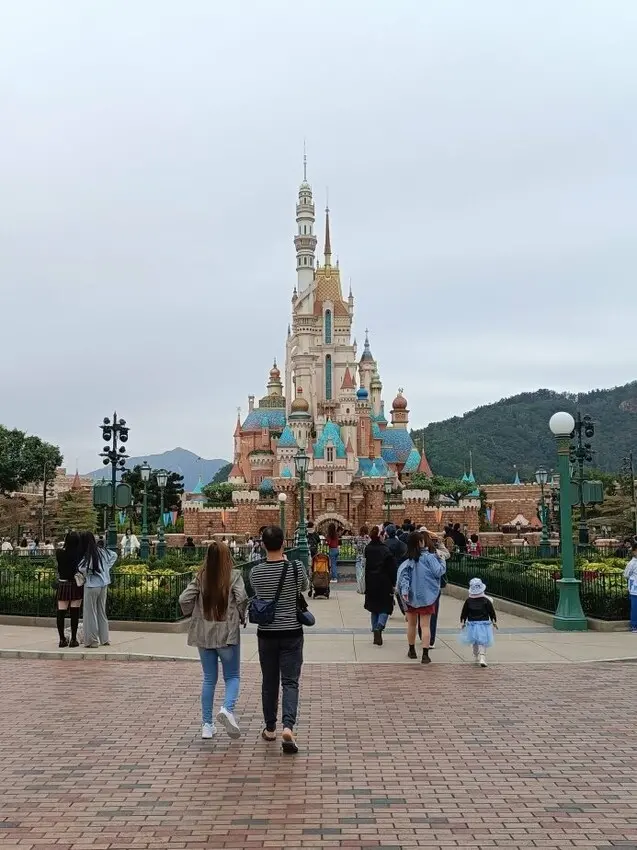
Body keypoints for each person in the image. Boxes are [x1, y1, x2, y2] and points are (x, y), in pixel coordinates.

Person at [179, 541, 248, 739]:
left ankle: (207, 725)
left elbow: (184, 599)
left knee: (209, 679)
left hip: (204, 633)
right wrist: (241, 615)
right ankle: (227, 709)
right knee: (232, 676)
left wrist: (193, 612)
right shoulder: (233, 576)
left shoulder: (201, 577)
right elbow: (242, 598)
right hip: (227, 634)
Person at [250, 525, 309, 754]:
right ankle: (288, 727)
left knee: (269, 681)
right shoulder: (295, 567)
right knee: (290, 682)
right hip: (292, 631)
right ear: (284, 543)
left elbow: (257, 594)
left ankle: (270, 728)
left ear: (263, 545)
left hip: (267, 633)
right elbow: (305, 586)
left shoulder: (256, 572)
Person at [398, 531, 446, 663]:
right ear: (420, 542)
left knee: (411, 624)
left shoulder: (408, 561)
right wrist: (441, 560)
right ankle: (425, 654)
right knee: (425, 626)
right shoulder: (430, 558)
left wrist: (404, 592)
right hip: (427, 596)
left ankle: (411, 650)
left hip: (410, 597)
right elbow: (439, 571)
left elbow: (403, 578)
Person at [78, 532, 118, 648]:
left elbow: (82, 568)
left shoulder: (87, 554)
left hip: (91, 585)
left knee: (90, 613)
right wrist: (106, 568)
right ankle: (105, 639)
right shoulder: (101, 551)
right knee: (101, 611)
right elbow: (114, 555)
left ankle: (92, 640)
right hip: (103, 584)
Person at [364, 526, 397, 645]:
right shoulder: (385, 550)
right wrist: (393, 582)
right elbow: (392, 568)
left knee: (374, 608)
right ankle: (379, 626)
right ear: (381, 536)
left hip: (371, 581)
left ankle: (375, 633)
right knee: (385, 607)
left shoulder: (368, 548)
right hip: (384, 581)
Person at [459, 578, 497, 667]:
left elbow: (464, 612)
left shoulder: (468, 601)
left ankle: (476, 655)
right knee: (482, 641)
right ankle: (482, 657)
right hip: (484, 624)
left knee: (475, 641)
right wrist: (494, 621)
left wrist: (463, 621)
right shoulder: (486, 600)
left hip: (472, 624)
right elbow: (491, 612)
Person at [55, 531, 83, 648]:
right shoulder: (79, 555)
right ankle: (73, 639)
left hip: (63, 584)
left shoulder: (59, 553)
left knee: (61, 613)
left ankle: (62, 639)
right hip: (75, 584)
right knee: (74, 613)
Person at [623, 543, 637, 633]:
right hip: (635, 590)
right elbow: (626, 575)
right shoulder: (631, 563)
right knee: (635, 608)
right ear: (634, 552)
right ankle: (634, 626)